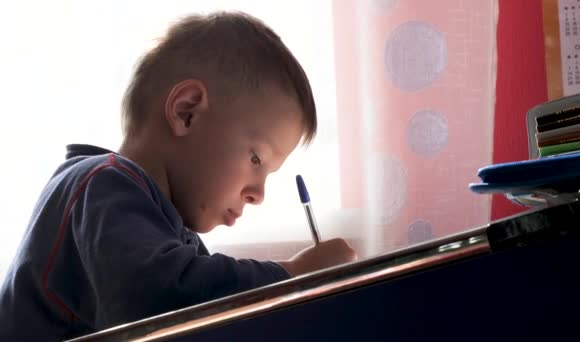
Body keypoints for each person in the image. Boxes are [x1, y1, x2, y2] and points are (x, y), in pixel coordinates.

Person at [0, 11, 357, 340]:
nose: (258, 194)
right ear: (187, 112)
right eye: (255, 158)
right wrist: (291, 276)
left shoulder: (164, 229)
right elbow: (161, 301)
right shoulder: (102, 183)